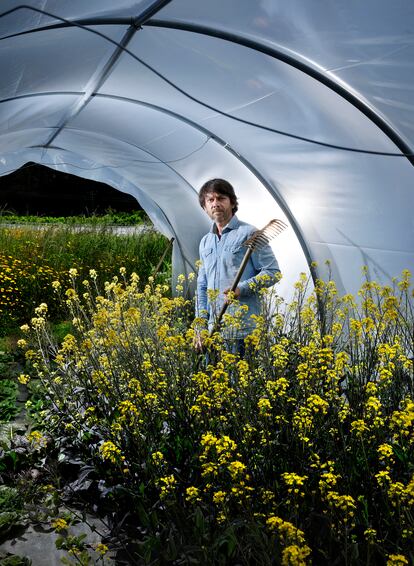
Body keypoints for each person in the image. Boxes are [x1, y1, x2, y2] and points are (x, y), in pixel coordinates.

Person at [195, 178, 280, 354]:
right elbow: (202, 285)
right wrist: (200, 325)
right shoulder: (205, 242)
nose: (215, 204)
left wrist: (241, 288)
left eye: (221, 198)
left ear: (232, 202)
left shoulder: (249, 233)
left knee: (241, 381)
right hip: (213, 330)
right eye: (210, 200)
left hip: (243, 330)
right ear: (204, 207)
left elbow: (273, 272)